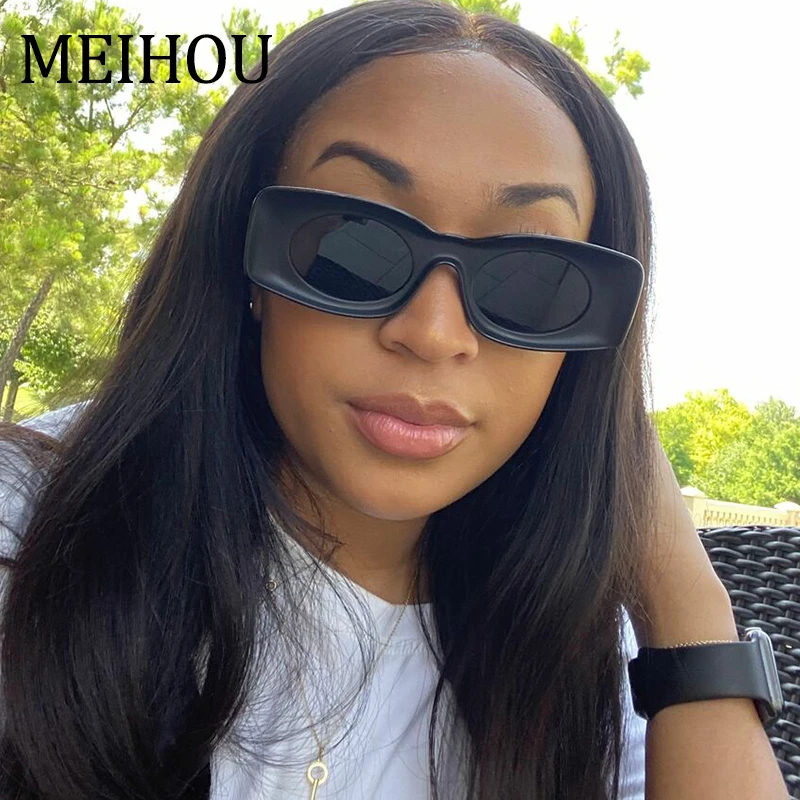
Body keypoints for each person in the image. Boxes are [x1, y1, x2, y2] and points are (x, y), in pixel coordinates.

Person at [0, 1, 786, 798]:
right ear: (243, 257)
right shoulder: (31, 534)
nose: (435, 333)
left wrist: (689, 613)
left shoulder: (579, 649)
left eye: (532, 281)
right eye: (352, 245)